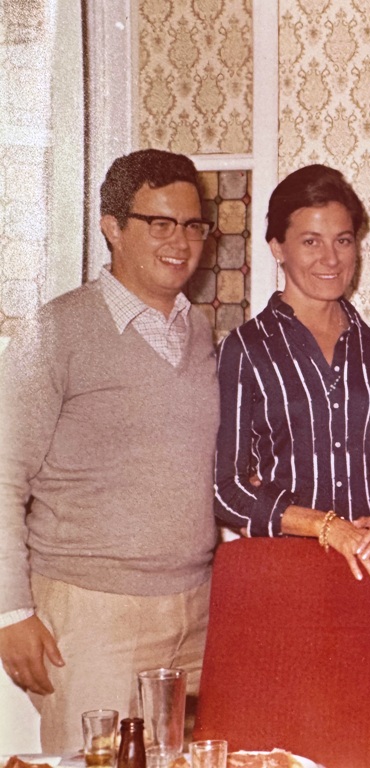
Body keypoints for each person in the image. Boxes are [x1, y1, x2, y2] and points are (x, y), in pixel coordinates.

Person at [0, 149, 219, 751]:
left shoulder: (199, 329)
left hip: (197, 611)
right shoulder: (52, 331)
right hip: (92, 614)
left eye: (192, 225)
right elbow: (1, 474)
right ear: (112, 227)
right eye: (160, 223)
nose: (180, 242)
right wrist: (10, 612)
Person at [213, 164, 370, 582]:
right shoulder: (245, 348)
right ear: (277, 247)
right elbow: (227, 491)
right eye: (311, 241)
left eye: (343, 240)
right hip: (289, 571)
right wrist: (327, 528)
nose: (331, 258)